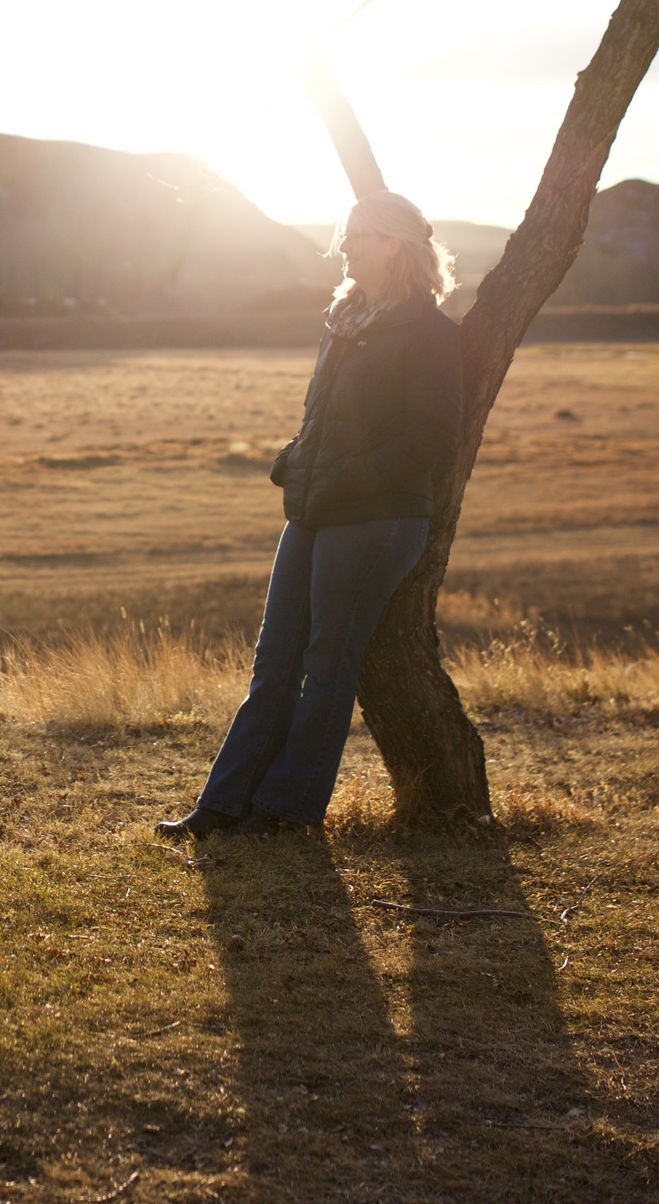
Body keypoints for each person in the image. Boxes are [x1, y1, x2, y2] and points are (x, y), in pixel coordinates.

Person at [158, 190, 463, 840]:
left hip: (377, 522)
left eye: (358, 234)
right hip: (315, 507)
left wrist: (351, 474)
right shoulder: (345, 317)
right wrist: (295, 458)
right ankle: (225, 803)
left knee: (328, 662)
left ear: (393, 245)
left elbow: (433, 437)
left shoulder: (431, 333)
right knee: (274, 660)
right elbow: (321, 414)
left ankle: (286, 810)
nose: (344, 245)